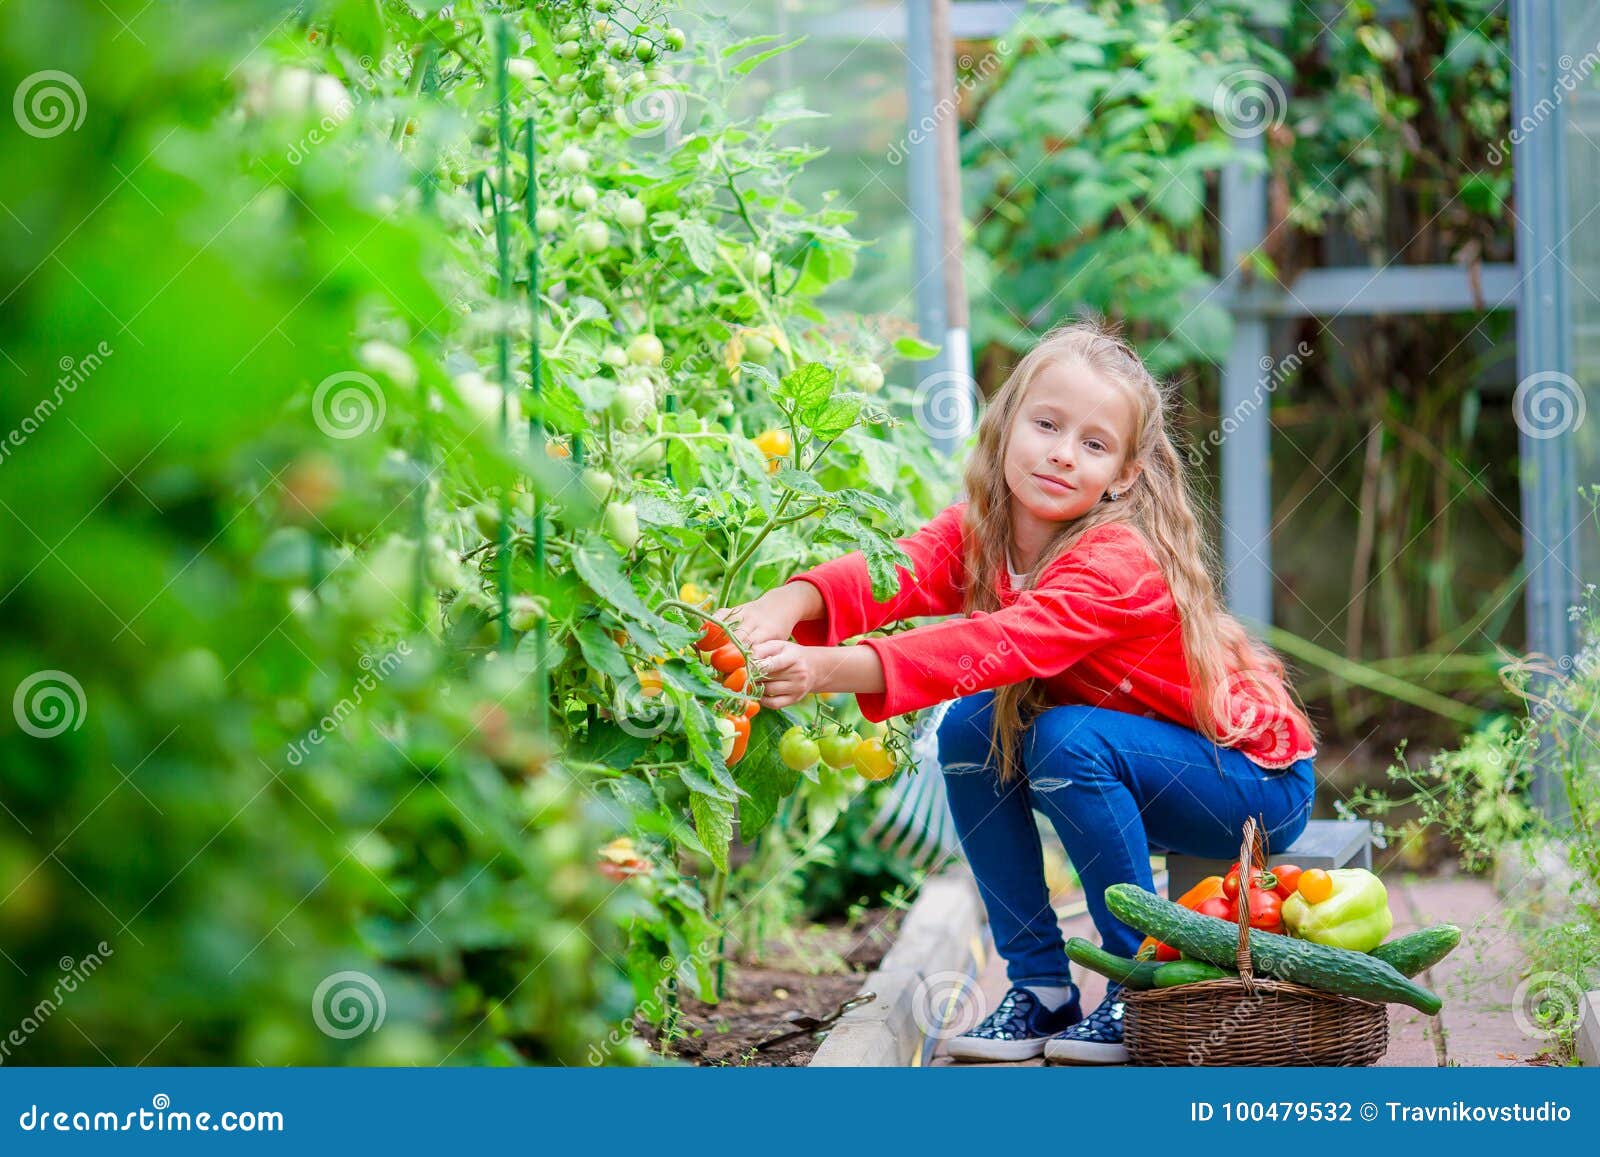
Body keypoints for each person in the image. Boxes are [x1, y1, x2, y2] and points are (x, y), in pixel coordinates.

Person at [712, 318, 1317, 1065]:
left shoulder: (1119, 559)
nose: (1064, 453)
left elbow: (998, 644)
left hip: (1250, 782)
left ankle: (1140, 987)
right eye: (1047, 424)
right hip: (1139, 763)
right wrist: (788, 604)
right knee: (971, 726)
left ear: (1123, 474)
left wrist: (830, 668)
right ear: (1006, 428)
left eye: (1094, 444)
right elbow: (895, 569)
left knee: (1063, 735)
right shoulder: (989, 531)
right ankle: (1040, 987)